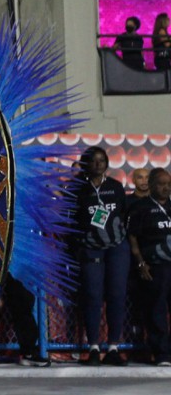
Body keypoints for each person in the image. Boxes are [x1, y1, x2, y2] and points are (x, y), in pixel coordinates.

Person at [74, 146, 131, 366]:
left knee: (116, 295)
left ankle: (114, 347)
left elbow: (125, 215)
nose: (98, 164)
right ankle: (94, 348)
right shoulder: (79, 190)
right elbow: (73, 222)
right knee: (92, 296)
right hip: (91, 249)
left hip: (117, 247)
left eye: (102, 160)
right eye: (94, 161)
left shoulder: (115, 187)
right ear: (86, 163)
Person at [129, 168, 171, 366]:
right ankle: (161, 353)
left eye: (169, 184)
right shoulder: (141, 207)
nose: (166, 188)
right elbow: (133, 237)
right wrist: (140, 262)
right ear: (152, 185)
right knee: (157, 311)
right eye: (162, 184)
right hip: (155, 266)